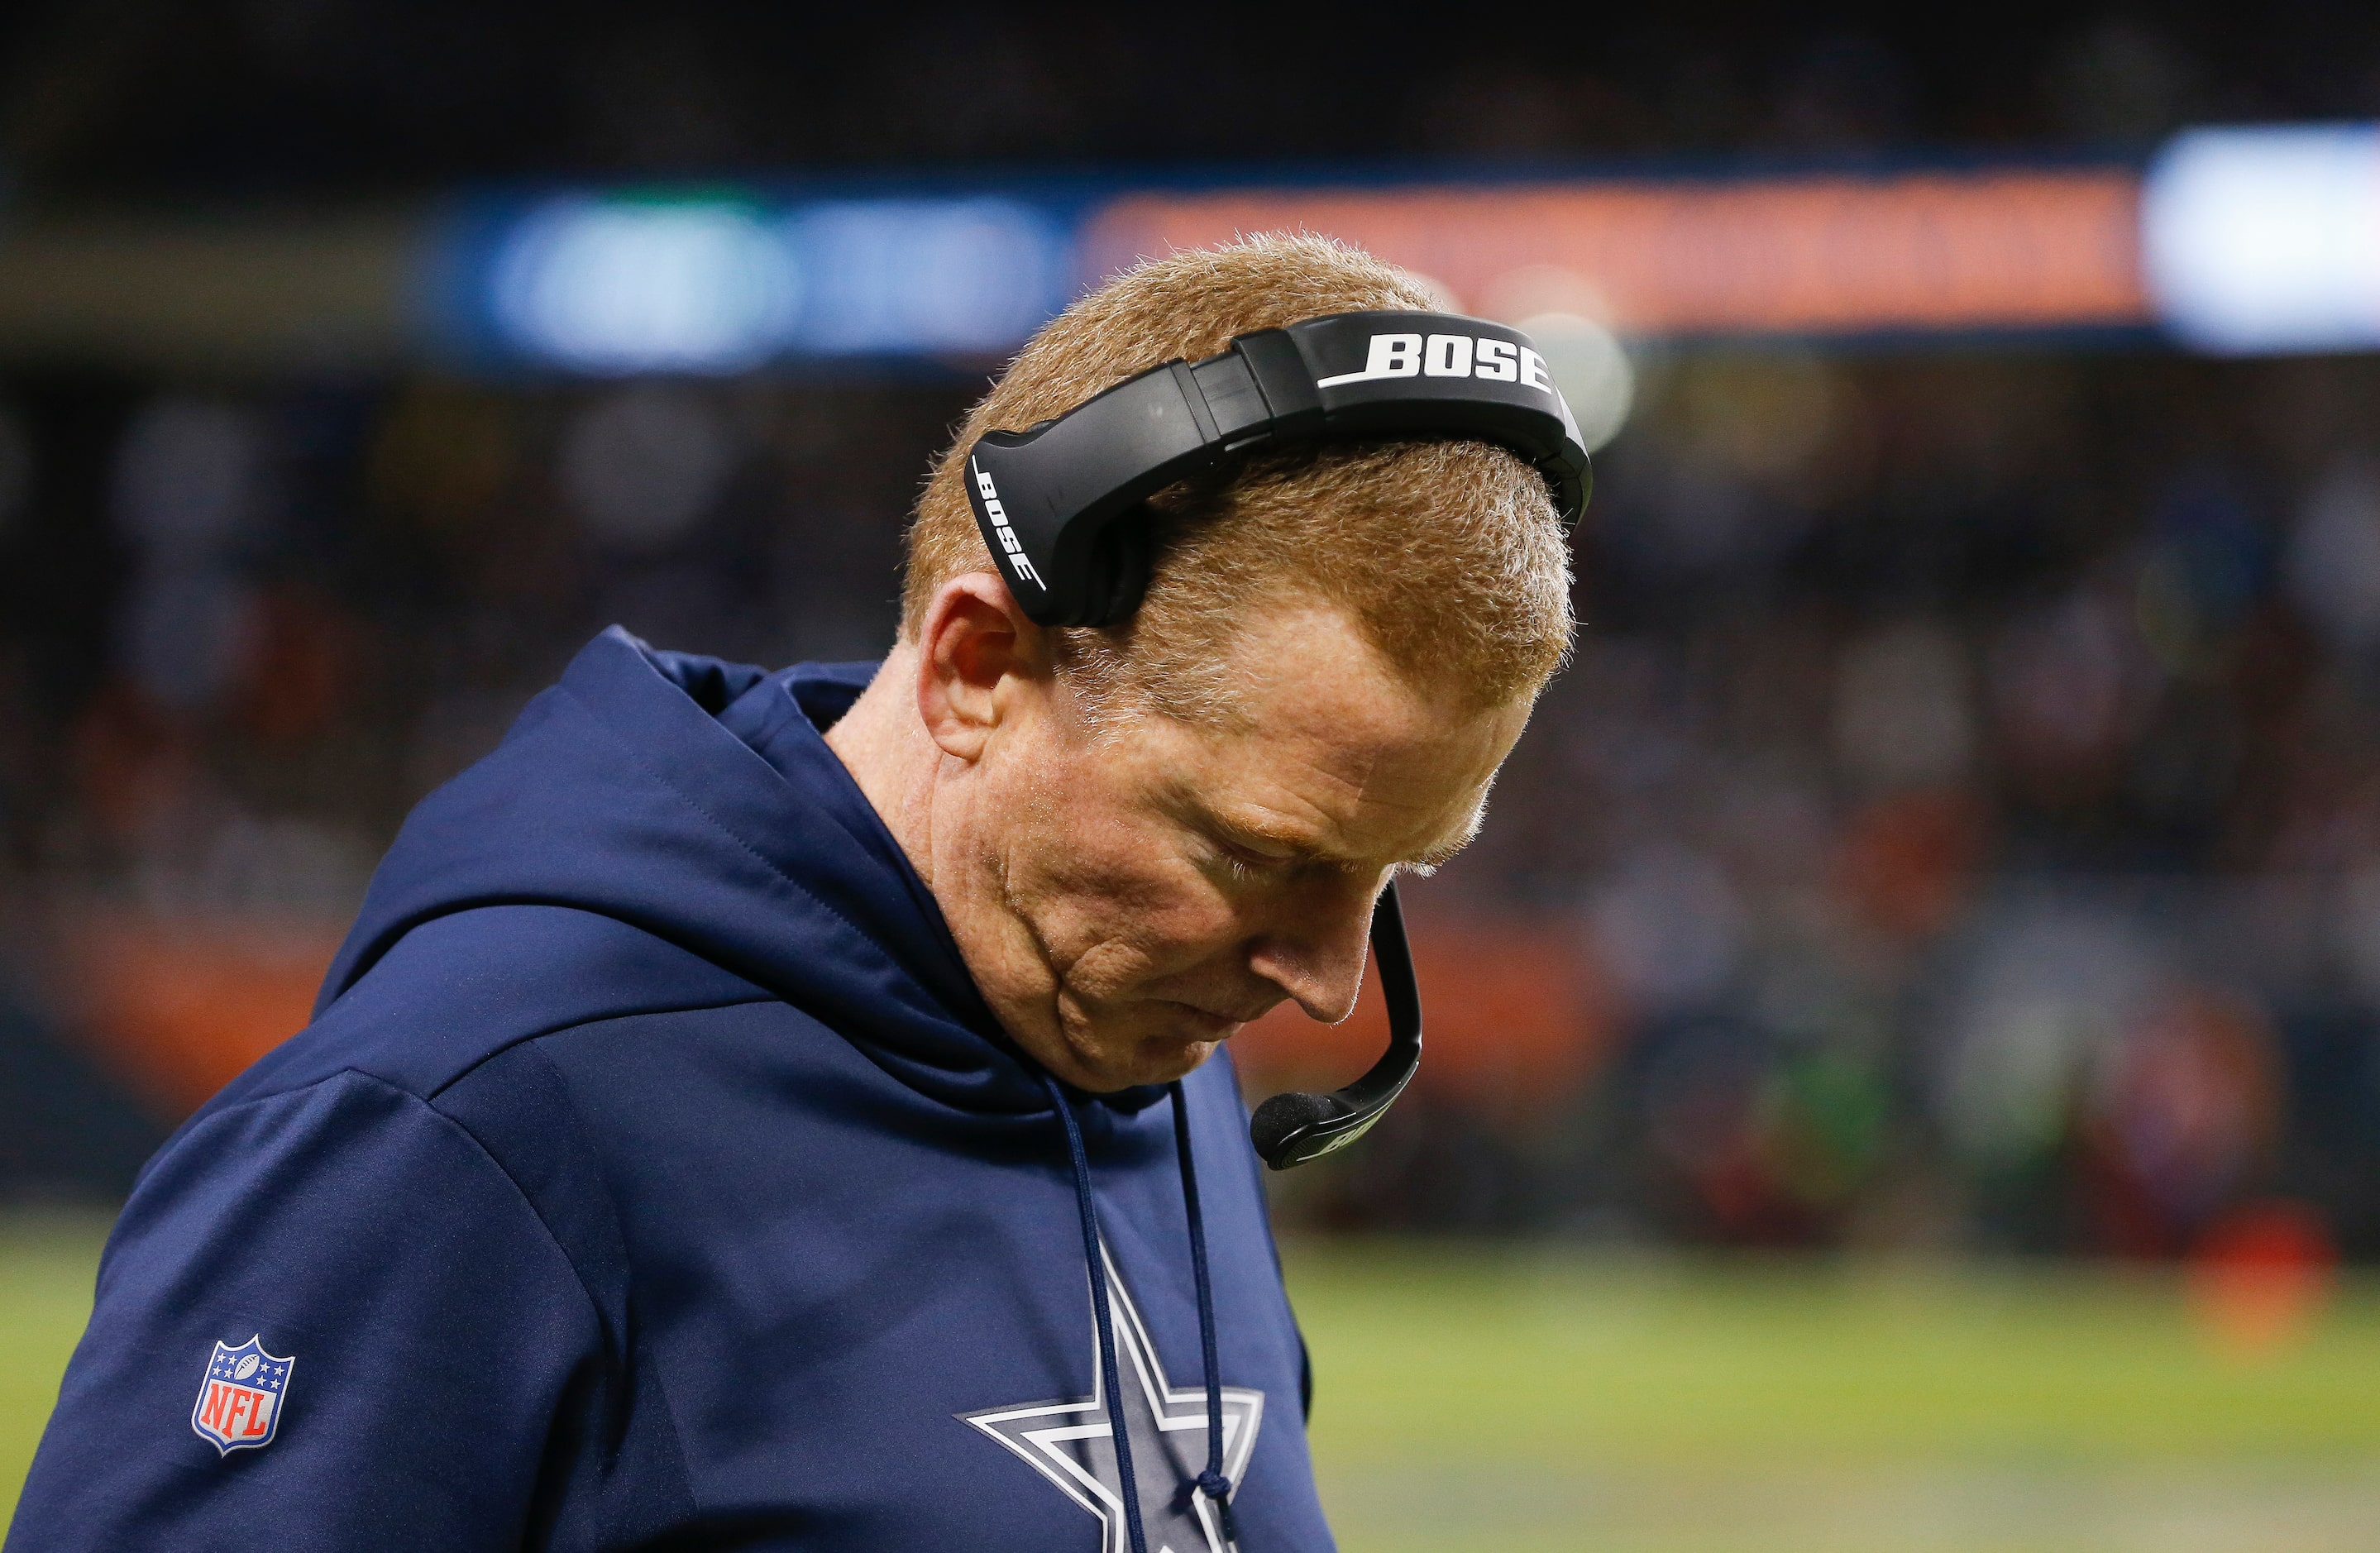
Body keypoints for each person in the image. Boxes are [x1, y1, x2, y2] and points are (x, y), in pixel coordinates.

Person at [7, 234, 1574, 1552]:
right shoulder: (465, 1118)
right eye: (1255, 853)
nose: (1326, 977)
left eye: (1392, 873)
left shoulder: (1135, 1045)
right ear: (976, 666)